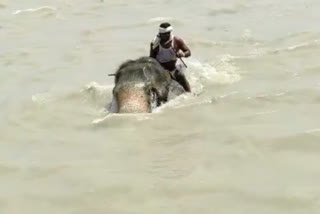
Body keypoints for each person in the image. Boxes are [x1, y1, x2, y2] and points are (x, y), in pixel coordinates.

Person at [149, 22, 192, 92]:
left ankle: (189, 93)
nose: (167, 35)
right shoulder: (154, 44)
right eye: (165, 34)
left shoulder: (176, 40)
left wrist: (183, 54)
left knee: (180, 75)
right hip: (160, 69)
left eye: (169, 33)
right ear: (160, 34)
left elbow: (188, 52)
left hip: (173, 67)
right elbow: (151, 59)